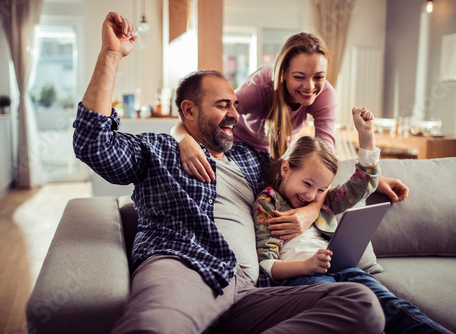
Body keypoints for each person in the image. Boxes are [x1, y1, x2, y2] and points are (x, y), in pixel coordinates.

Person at [73, 12, 386, 334]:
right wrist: (110, 56)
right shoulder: (158, 149)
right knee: (155, 328)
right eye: (224, 105)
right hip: (188, 267)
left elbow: (308, 172)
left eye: (236, 105)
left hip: (251, 289)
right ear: (189, 111)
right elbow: (93, 145)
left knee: (360, 304)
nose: (236, 115)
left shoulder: (253, 160)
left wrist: (373, 176)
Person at [171, 32, 408, 241]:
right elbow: (215, 118)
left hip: (277, 154)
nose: (310, 86)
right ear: (283, 73)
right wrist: (182, 138)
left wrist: (312, 210)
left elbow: (324, 160)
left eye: (319, 76)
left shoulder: (325, 94)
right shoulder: (259, 87)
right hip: (241, 147)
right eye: (299, 76)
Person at [253, 107, 451, 334]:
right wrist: (307, 266)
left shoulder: (324, 202)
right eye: (307, 184)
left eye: (321, 189)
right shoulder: (268, 203)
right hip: (302, 278)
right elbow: (267, 266)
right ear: (286, 169)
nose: (310, 195)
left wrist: (366, 137)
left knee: (396, 308)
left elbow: (361, 186)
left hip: (343, 269)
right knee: (354, 316)